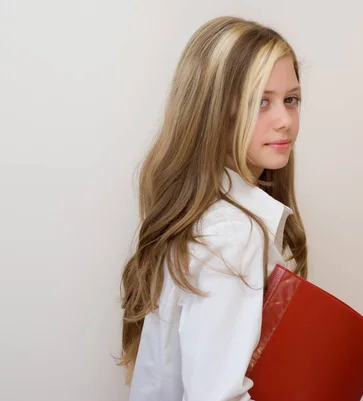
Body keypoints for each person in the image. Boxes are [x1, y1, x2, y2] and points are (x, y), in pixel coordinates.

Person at [119, 16, 309, 401]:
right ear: (214, 111)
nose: (285, 120)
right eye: (261, 102)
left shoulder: (205, 217)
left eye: (290, 99)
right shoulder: (232, 234)